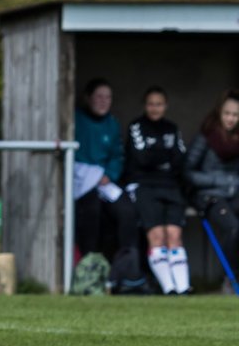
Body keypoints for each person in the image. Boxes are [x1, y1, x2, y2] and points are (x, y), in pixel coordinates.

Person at [125, 86, 191, 294]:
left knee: (173, 234)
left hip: (170, 186)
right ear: (145, 106)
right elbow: (142, 158)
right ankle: (168, 288)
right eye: (151, 104)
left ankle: (183, 288)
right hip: (145, 185)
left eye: (159, 104)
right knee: (156, 235)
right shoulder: (136, 126)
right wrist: (164, 156)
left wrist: (157, 154)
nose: (155, 108)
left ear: (166, 106)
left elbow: (180, 159)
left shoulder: (172, 128)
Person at [73, 78, 139, 259]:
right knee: (91, 212)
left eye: (107, 97)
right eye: (99, 96)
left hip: (104, 181)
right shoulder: (74, 119)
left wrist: (109, 175)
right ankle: (89, 264)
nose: (103, 101)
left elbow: (117, 156)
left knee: (127, 211)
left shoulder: (112, 124)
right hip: (80, 181)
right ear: (88, 98)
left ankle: (126, 268)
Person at [184, 90, 239, 291]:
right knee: (234, 229)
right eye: (227, 113)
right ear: (219, 112)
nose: (231, 119)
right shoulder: (207, 136)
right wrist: (220, 181)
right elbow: (188, 172)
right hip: (208, 195)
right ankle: (231, 280)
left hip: (233, 194)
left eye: (235, 115)